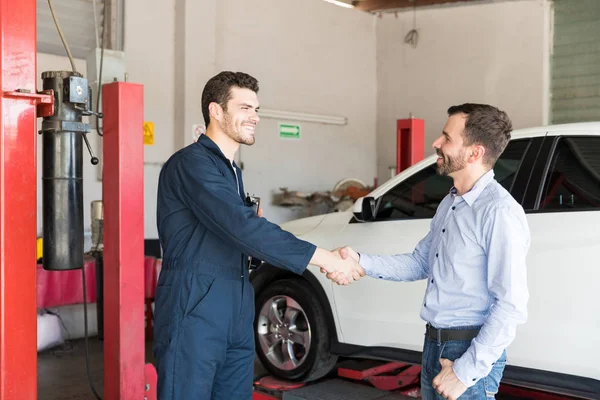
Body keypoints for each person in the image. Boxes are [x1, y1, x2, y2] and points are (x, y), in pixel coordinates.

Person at [154, 71, 362, 400]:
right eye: (245, 108)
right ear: (216, 111)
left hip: (236, 302)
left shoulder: (231, 172)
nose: (254, 117)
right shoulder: (191, 164)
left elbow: (239, 235)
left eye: (257, 109)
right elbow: (241, 227)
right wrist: (323, 257)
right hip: (195, 302)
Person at [330, 104, 530, 400]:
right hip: (434, 344)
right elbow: (420, 262)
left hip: (466, 351)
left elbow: (510, 304)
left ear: (474, 153)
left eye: (447, 138)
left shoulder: (498, 212)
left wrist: (464, 373)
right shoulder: (451, 203)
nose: (436, 144)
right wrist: (360, 261)